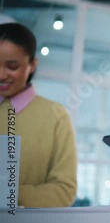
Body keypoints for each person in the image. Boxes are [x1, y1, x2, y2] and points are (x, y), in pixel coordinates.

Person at [0, 22, 77, 207]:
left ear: (32, 65)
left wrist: (7, 193)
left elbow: (64, 191)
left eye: (12, 66)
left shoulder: (55, 116)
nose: (2, 75)